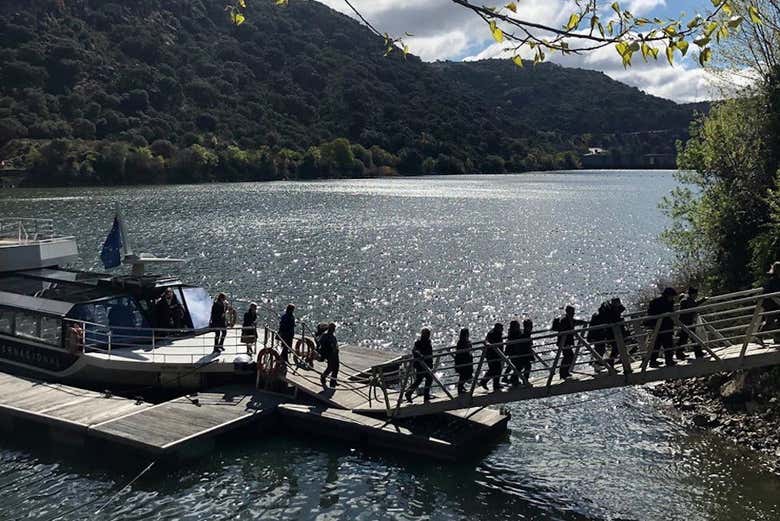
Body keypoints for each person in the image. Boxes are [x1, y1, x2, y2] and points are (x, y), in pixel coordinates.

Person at [552, 306, 587, 380]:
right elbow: (566, 328)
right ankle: (563, 374)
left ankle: (565, 373)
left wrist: (583, 322)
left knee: (568, 356)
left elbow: (575, 322)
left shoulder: (568, 318)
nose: (573, 314)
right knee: (568, 356)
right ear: (569, 312)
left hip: (566, 341)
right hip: (564, 341)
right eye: (572, 312)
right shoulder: (565, 319)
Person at [645, 287, 678, 367]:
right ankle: (668, 361)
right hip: (662, 326)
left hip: (661, 326)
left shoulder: (656, 302)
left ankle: (653, 361)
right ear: (668, 295)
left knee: (657, 344)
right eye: (672, 296)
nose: (672, 298)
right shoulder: (659, 303)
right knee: (667, 344)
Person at [405, 328, 434, 402]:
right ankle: (425, 395)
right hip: (421, 365)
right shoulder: (419, 342)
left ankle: (410, 392)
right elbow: (414, 350)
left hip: (426, 364)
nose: (428, 335)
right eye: (427, 334)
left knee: (421, 380)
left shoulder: (428, 342)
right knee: (427, 379)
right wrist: (420, 355)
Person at [677, 288, 707, 359]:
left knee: (686, 338)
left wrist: (702, 300)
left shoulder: (687, 299)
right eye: (696, 295)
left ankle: (681, 353)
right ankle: (697, 353)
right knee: (689, 338)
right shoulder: (687, 300)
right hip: (687, 322)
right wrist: (702, 300)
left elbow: (693, 305)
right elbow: (693, 306)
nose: (696, 296)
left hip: (686, 321)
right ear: (693, 294)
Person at [479, 323, 504, 392]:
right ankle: (486, 382)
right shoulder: (493, 334)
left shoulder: (494, 333)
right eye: (501, 328)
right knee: (495, 369)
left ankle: (495, 384)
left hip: (495, 354)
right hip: (493, 355)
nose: (502, 329)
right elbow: (490, 343)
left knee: (496, 369)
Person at [586, 302, 610, 371]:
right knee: (600, 349)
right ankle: (596, 364)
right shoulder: (600, 316)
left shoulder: (596, 315)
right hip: (597, 335)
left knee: (600, 350)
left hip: (596, 335)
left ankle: (597, 363)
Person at [762, 262, 780, 346]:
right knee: (770, 320)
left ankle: (777, 337)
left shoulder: (776, 279)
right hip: (770, 304)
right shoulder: (773, 280)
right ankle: (759, 336)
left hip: (775, 303)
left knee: (776, 320)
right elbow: (772, 294)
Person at [319, 323, 340, 388]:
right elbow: (321, 344)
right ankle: (323, 376)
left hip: (335, 354)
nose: (333, 330)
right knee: (330, 367)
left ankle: (333, 381)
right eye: (333, 329)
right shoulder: (325, 336)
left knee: (336, 368)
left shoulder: (332, 337)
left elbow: (335, 345)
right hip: (329, 354)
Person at [453, 328, 473, 394]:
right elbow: (465, 351)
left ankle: (461, 387)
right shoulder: (462, 342)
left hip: (466, 361)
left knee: (464, 376)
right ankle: (460, 388)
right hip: (463, 361)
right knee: (464, 375)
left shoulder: (462, 341)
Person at [503, 320, 523, 386]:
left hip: (513, 351)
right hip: (514, 351)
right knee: (517, 365)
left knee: (512, 365)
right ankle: (513, 378)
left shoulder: (511, 333)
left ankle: (506, 377)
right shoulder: (514, 333)